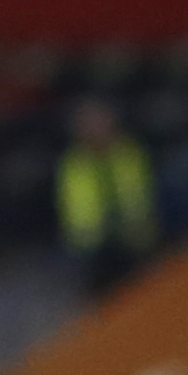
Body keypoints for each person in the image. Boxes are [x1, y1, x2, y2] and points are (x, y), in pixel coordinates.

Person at [56, 94, 156, 296]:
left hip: (130, 234)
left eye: (101, 122)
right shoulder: (73, 163)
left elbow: (140, 195)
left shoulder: (129, 153)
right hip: (91, 243)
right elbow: (77, 212)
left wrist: (136, 225)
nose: (96, 130)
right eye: (88, 125)